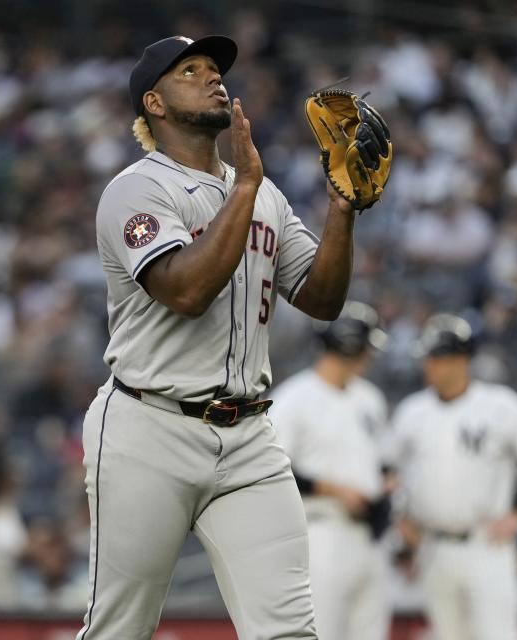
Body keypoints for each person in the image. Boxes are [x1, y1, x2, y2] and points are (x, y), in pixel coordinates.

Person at [78, 34, 376, 640]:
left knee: (289, 631)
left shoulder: (262, 192)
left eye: (215, 68)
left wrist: (341, 211)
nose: (213, 77)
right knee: (122, 629)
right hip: (148, 427)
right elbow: (186, 293)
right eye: (191, 70)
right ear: (154, 105)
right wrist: (243, 186)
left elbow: (321, 300)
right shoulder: (137, 190)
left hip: (248, 440)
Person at [392, 313, 517, 640]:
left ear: (464, 359)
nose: (430, 365)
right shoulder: (411, 412)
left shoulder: (499, 405)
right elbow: (388, 472)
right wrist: (401, 516)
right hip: (433, 546)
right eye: (428, 357)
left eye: (439, 357)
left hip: (486, 543)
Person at [269, 301, 392, 640]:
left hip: (370, 536)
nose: (369, 355)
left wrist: (387, 486)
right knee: (321, 633)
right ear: (348, 345)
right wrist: (332, 490)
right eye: (365, 347)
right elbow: (271, 472)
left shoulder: (370, 399)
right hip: (320, 532)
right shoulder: (294, 398)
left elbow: (383, 464)